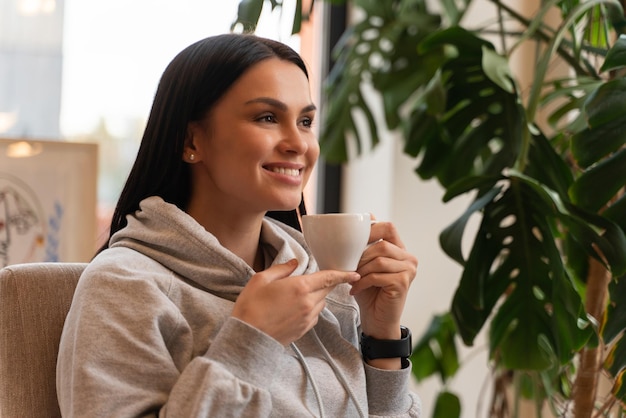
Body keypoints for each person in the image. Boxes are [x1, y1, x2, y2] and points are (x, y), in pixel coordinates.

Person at [56, 33, 421, 417]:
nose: (299, 143)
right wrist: (252, 341)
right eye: (267, 117)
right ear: (191, 139)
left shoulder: (318, 283)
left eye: (306, 121)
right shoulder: (124, 286)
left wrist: (383, 337)